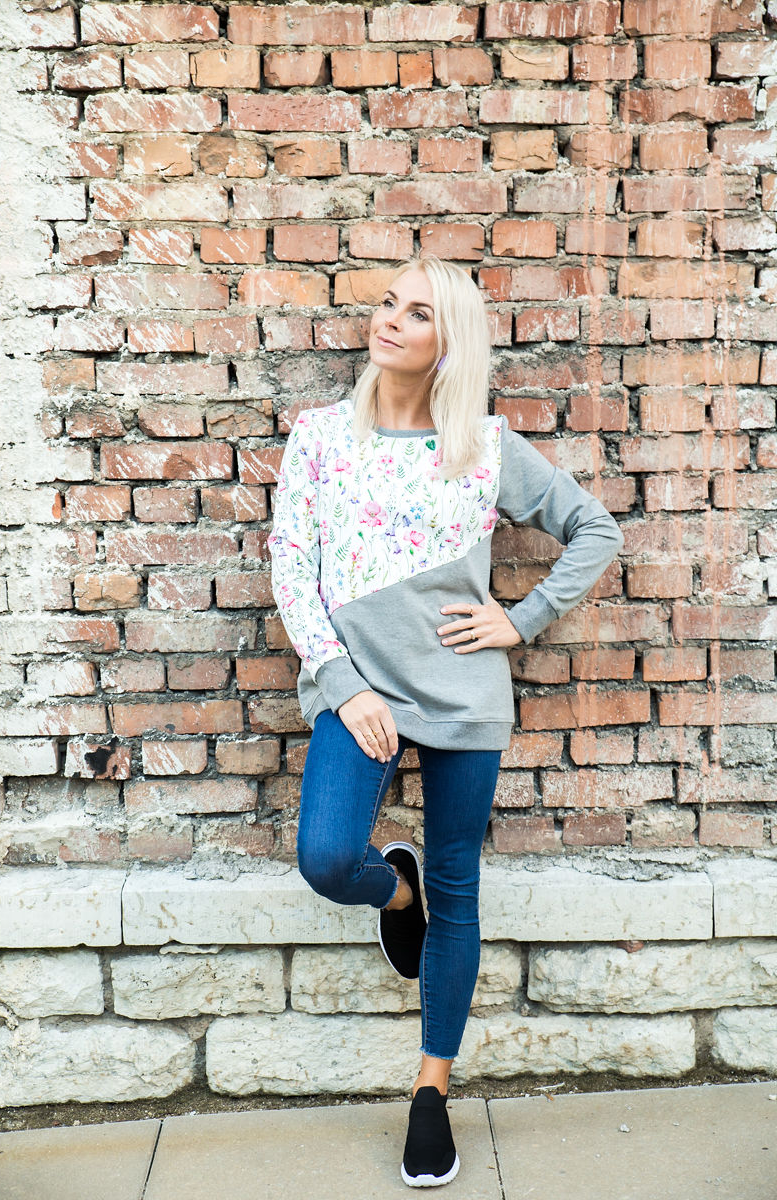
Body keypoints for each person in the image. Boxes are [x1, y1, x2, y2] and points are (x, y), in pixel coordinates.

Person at [267, 254, 624, 1187]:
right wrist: (343, 682)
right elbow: (291, 567)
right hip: (360, 691)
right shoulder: (321, 436)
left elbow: (596, 530)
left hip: (464, 693)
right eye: (389, 302)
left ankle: (432, 1092)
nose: (390, 320)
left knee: (459, 887)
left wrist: (521, 619)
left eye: (417, 313)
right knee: (326, 857)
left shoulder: (484, 445)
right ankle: (397, 891)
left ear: (448, 343)